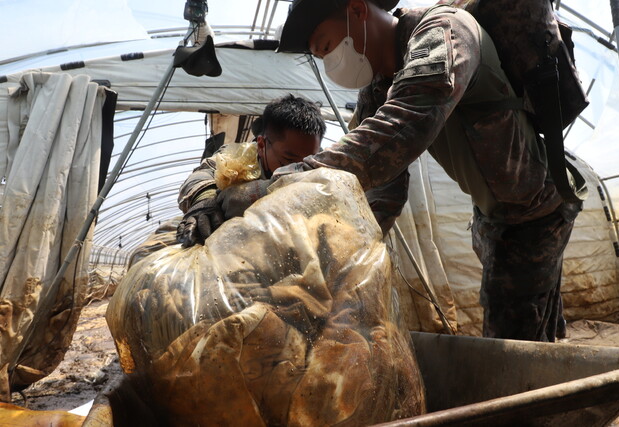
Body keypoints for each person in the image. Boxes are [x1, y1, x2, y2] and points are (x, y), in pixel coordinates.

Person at [210, 0, 587, 342]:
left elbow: (402, 130)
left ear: (356, 10)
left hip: (534, 210)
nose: (330, 64)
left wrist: (272, 189)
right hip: (497, 214)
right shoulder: (379, 88)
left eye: (326, 46)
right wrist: (335, 269)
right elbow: (380, 193)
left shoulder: (444, 31)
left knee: (512, 335)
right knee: (536, 319)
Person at [176, 94, 326, 247]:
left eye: (305, 163)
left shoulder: (323, 165)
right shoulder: (234, 158)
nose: (297, 171)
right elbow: (201, 175)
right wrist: (205, 200)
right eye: (288, 160)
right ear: (261, 145)